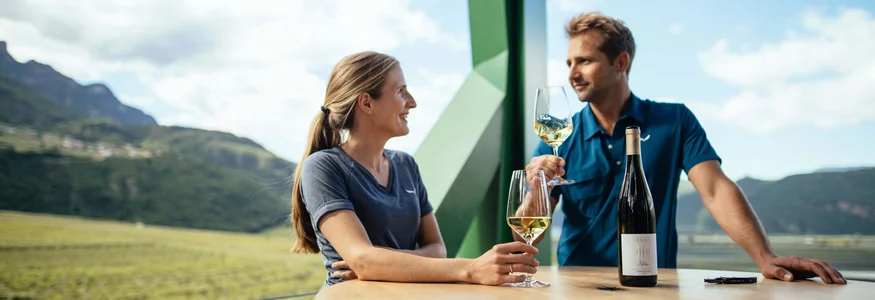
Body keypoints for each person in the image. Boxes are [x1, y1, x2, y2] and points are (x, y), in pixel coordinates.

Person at [522, 12, 847, 284]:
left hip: (656, 284)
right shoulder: (559, 134)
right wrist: (535, 186)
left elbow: (716, 190)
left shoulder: (675, 120)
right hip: (579, 284)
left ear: (620, 62)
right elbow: (530, 232)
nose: (572, 74)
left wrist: (765, 257)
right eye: (569, 63)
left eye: (585, 61)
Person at [290, 51, 540, 288]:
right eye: (401, 91)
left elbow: (437, 249)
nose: (412, 103)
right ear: (366, 103)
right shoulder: (323, 167)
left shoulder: (405, 164)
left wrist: (383, 264)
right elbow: (364, 260)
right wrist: (470, 268)